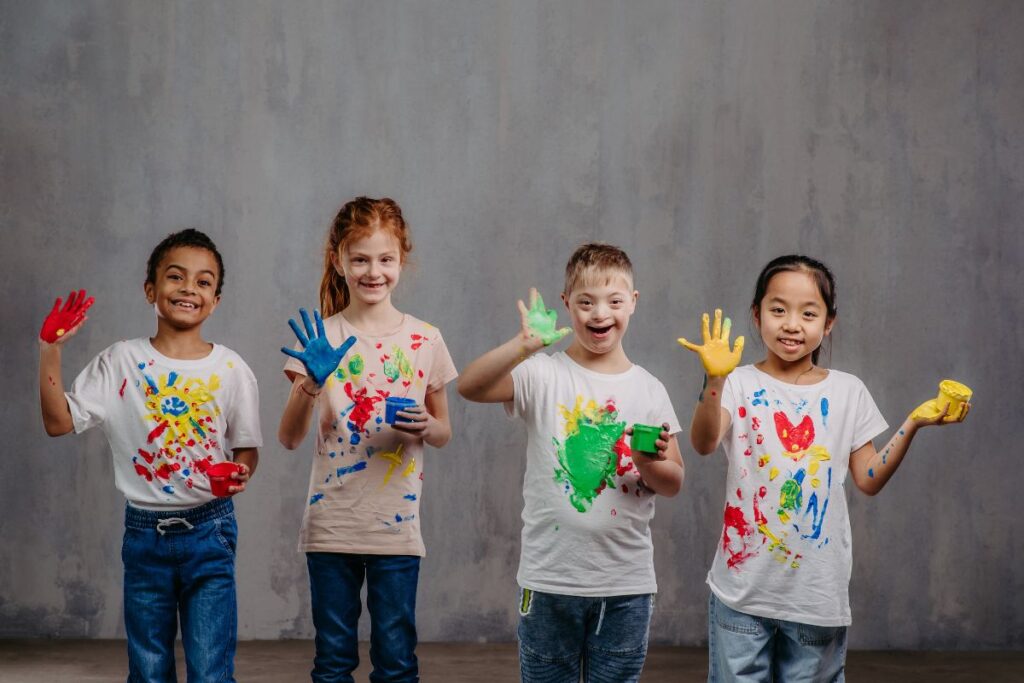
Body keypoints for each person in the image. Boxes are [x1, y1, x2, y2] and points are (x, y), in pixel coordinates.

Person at [679, 254, 970, 682]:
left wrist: (914, 423)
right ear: (756, 315)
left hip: (815, 596)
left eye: (808, 313)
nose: (792, 324)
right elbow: (703, 443)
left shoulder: (848, 391)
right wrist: (714, 380)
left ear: (828, 323)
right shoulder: (739, 382)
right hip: (742, 591)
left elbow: (868, 479)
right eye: (778, 310)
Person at [39, 228, 262, 682]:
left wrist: (241, 472)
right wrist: (50, 351)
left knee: (211, 671)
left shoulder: (231, 369)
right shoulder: (119, 361)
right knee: (149, 669)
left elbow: (246, 449)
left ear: (215, 300)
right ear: (150, 290)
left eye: (203, 282)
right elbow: (58, 422)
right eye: (175, 277)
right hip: (144, 535)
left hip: (211, 530)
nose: (188, 289)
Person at [458, 242, 685, 683]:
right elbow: (470, 387)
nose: (600, 314)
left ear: (632, 304)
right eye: (586, 302)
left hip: (626, 585)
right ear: (567, 305)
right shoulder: (543, 373)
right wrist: (522, 346)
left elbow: (673, 480)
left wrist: (646, 461)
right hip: (549, 581)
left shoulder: (649, 390)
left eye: (614, 301)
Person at [278, 196, 457, 683]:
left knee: (397, 663)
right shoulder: (322, 337)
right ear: (338, 260)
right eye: (359, 259)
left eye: (385, 259)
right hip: (331, 527)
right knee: (333, 662)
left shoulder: (425, 339)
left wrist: (426, 425)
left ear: (402, 260)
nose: (372, 271)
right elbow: (289, 437)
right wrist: (309, 383)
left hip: (396, 532)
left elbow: (443, 433)